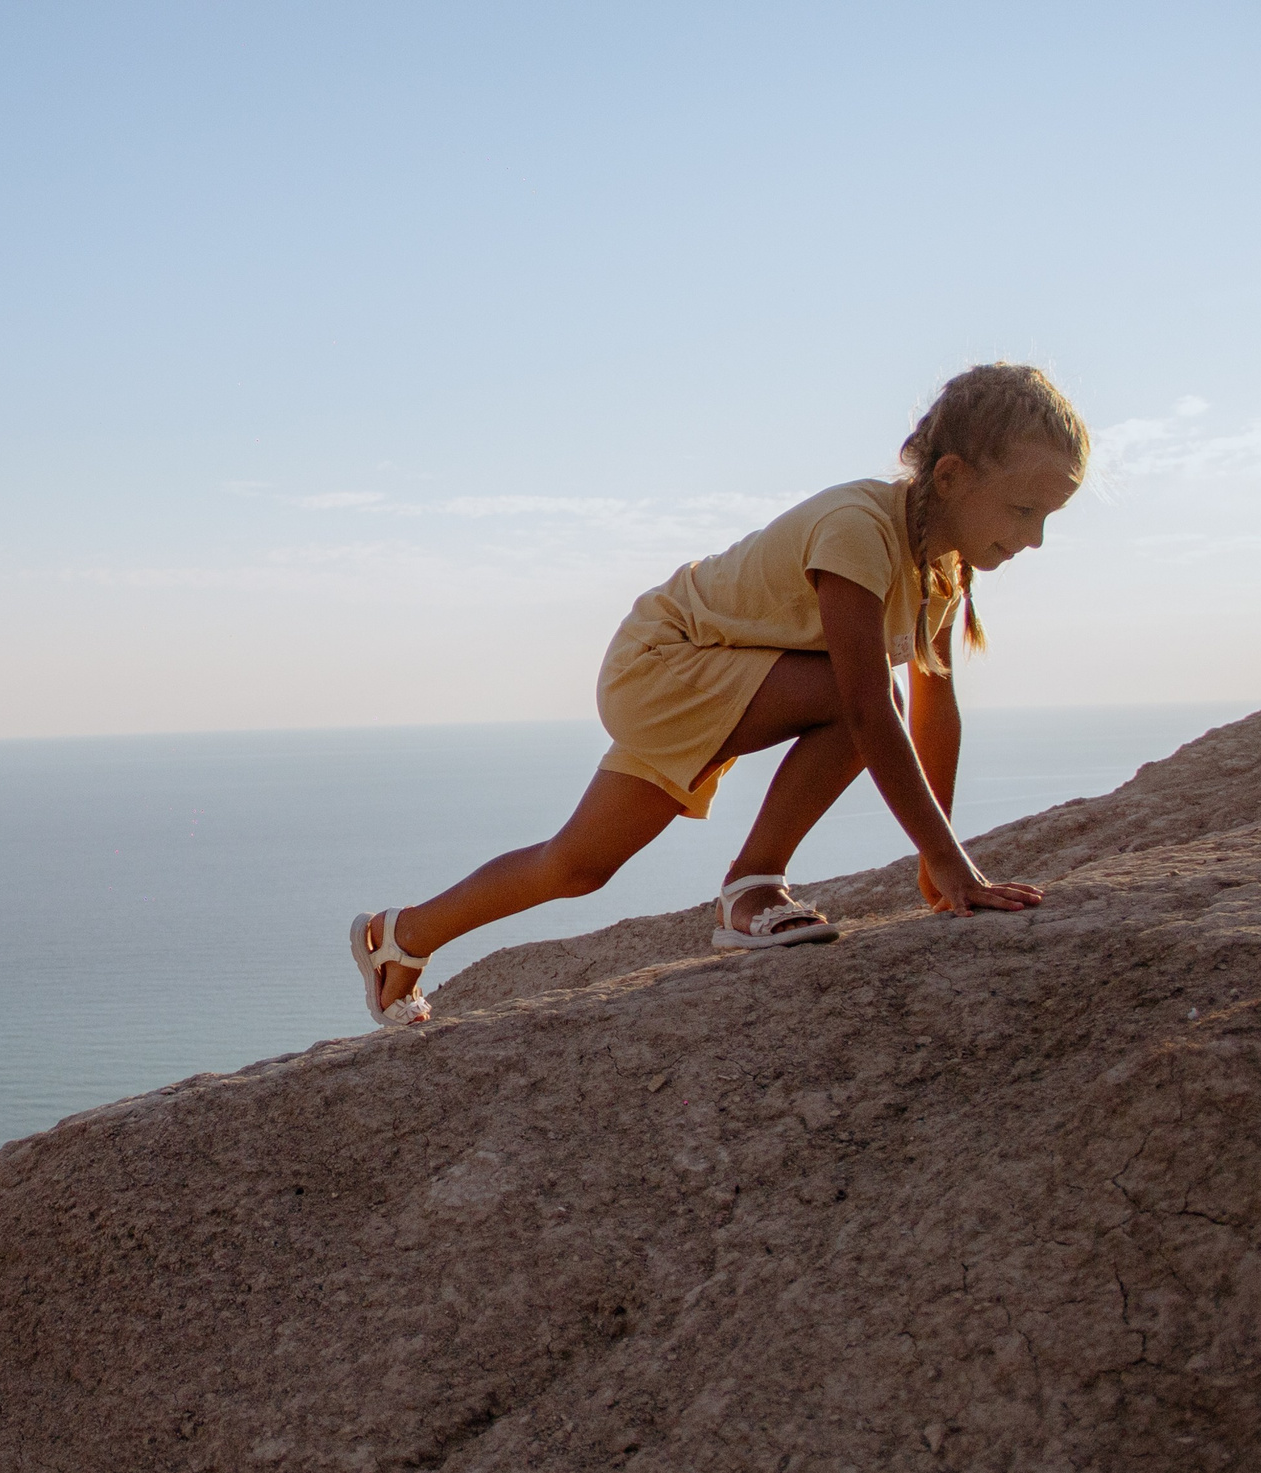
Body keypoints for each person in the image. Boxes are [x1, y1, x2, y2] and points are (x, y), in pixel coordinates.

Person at [350, 362, 1089, 1029]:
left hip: (722, 673)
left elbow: (937, 711)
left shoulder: (942, 570)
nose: (1037, 539)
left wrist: (941, 863)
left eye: (1049, 517)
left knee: (576, 865)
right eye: (1024, 511)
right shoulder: (860, 532)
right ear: (952, 476)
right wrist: (949, 861)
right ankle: (752, 887)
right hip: (667, 664)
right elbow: (869, 710)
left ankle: (400, 936)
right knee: (855, 690)